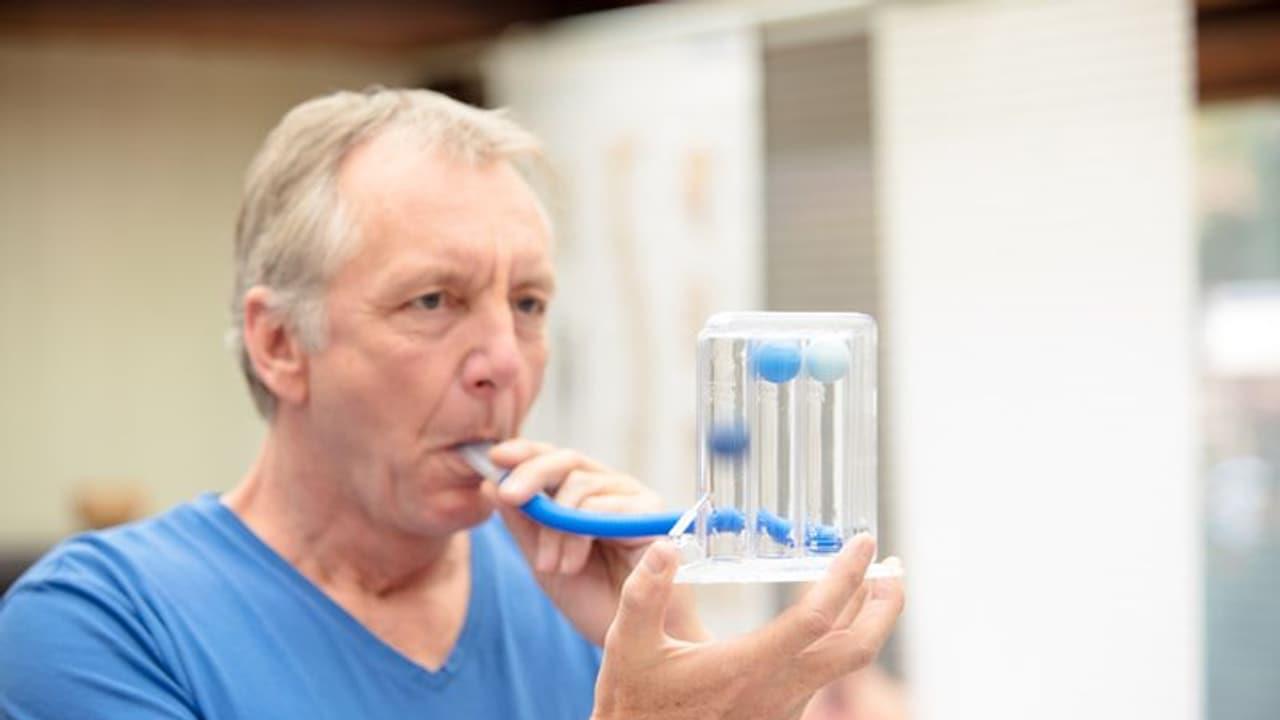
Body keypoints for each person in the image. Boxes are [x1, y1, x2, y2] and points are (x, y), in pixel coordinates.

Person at [0, 88, 904, 719]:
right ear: (280, 345)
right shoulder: (99, 628)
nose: (504, 362)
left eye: (529, 304)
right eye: (432, 301)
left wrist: (691, 659)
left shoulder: (590, 601)